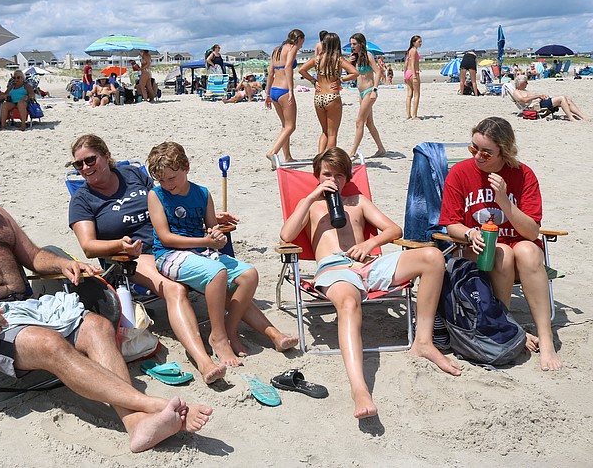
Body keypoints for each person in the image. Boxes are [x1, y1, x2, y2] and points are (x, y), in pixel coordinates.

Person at [0, 152, 212, 452]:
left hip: (28, 306)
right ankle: (151, 405)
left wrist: (62, 264)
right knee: (50, 345)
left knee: (99, 327)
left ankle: (135, 424)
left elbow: (34, 256)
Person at [280, 147, 461, 418]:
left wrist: (371, 242)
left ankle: (423, 341)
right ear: (317, 175)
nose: (333, 180)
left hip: (370, 264)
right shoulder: (311, 205)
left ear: (348, 176)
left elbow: (393, 230)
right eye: (327, 174)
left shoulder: (358, 201)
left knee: (433, 257)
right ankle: (359, 388)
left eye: (339, 175)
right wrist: (311, 198)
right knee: (349, 303)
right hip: (335, 269)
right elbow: (286, 235)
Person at [68, 135, 227, 384]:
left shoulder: (131, 174)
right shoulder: (83, 199)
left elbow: (169, 195)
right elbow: (88, 246)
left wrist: (208, 217)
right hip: (132, 257)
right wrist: (119, 245)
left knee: (227, 266)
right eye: (79, 165)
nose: (85, 168)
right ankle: (204, 361)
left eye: (90, 160)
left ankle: (251, 334)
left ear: (106, 156)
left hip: (174, 241)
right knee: (174, 290)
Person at [146, 142, 298, 367]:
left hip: (200, 252)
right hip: (169, 255)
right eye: (161, 180)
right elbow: (165, 238)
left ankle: (230, 330)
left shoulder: (203, 194)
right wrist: (206, 241)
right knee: (217, 272)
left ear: (186, 167)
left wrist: (216, 235)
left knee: (249, 274)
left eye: (172, 178)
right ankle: (218, 337)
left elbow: (210, 227)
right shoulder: (156, 195)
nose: (167, 185)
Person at [438, 117, 563, 371]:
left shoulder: (523, 174)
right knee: (502, 252)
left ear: (504, 152)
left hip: (521, 252)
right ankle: (504, 328)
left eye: (486, 152)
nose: (478, 156)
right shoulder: (459, 173)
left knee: (527, 250)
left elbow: (531, 231)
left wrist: (504, 200)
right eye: (473, 148)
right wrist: (469, 234)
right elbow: (451, 223)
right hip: (480, 252)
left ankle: (546, 339)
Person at [297, 32, 358, 153]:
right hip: (332, 96)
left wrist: (314, 81)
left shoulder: (317, 59)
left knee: (324, 131)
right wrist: (341, 80)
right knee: (332, 134)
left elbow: (301, 69)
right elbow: (355, 73)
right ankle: (329, 161)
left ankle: (320, 158)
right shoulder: (339, 59)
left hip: (318, 97)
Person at [265, 29, 306, 165]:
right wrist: (291, 90)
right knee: (291, 126)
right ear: (298, 39)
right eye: (302, 42)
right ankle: (272, 152)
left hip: (274, 90)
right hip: (283, 90)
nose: (301, 46)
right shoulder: (292, 48)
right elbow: (288, 67)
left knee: (284, 126)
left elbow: (270, 73)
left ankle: (287, 157)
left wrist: (267, 94)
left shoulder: (276, 50)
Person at [347, 33, 386, 159]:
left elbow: (378, 71)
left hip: (369, 91)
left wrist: (375, 89)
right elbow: (351, 74)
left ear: (361, 44)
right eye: (351, 44)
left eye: (354, 44)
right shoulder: (355, 57)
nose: (352, 46)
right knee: (369, 123)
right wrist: (350, 63)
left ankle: (352, 152)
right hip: (361, 93)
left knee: (359, 121)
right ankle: (381, 149)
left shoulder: (368, 55)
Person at [510, 75, 587, 121]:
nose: (527, 83)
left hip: (538, 103)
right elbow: (524, 100)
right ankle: (571, 117)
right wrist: (538, 96)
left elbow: (531, 97)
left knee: (568, 100)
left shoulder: (523, 90)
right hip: (534, 107)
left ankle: (583, 116)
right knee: (562, 98)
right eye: (526, 82)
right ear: (521, 83)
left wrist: (541, 97)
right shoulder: (516, 92)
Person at [404, 35, 422, 120]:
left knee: (409, 95)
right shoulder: (414, 50)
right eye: (419, 42)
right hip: (413, 73)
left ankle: (408, 114)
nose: (420, 43)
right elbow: (412, 63)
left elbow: (406, 64)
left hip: (408, 73)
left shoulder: (409, 51)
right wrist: (414, 75)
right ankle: (414, 115)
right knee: (417, 94)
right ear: (414, 42)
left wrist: (405, 74)